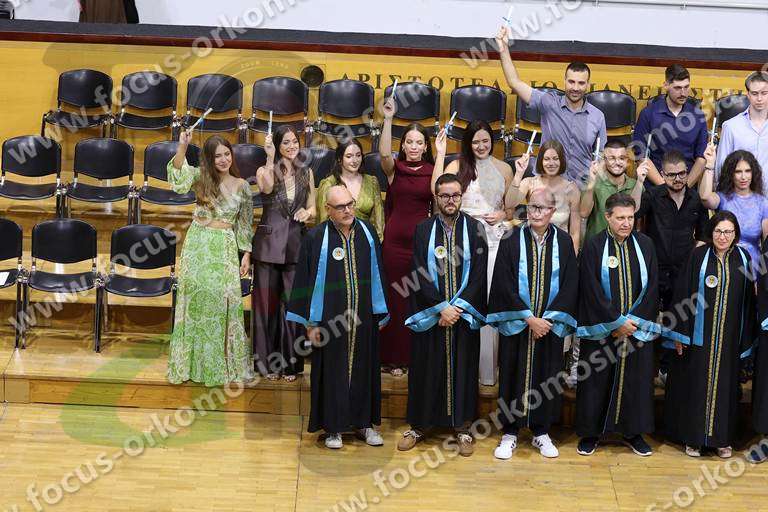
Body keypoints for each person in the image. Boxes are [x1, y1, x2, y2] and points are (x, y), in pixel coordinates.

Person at [286, 185, 389, 449]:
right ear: (328, 209)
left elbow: (379, 273)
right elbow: (305, 280)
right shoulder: (316, 237)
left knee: (365, 370)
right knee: (332, 372)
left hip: (363, 317)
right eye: (340, 207)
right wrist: (310, 323)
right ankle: (333, 428)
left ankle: (364, 424)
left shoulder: (368, 233)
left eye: (350, 204)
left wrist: (379, 311)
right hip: (330, 321)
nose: (347, 210)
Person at [397, 174, 488, 456]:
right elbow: (418, 272)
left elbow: (479, 274)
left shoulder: (475, 228)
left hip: (463, 315)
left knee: (464, 369)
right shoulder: (423, 229)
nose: (450, 200)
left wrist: (457, 308)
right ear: (436, 198)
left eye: (455, 195)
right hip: (433, 315)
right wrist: (440, 307)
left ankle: (463, 428)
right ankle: (419, 426)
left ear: (461, 196)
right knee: (426, 368)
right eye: (445, 195)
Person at [487, 188, 579, 459]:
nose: (535, 213)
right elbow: (503, 281)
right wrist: (528, 317)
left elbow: (570, 283)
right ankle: (510, 432)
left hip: (549, 327)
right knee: (512, 373)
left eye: (541, 208)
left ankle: (541, 432)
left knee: (547, 376)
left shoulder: (564, 242)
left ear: (553, 211)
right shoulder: (511, 238)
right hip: (518, 323)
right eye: (532, 207)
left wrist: (547, 320)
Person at [575, 192, 660, 457]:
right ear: (607, 217)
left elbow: (652, 287)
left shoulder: (645, 245)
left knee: (635, 382)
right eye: (620, 218)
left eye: (630, 217)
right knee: (596, 381)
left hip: (636, 330)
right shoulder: (594, 245)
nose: (626, 223)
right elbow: (590, 288)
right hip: (603, 330)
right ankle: (591, 434)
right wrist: (615, 322)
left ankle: (633, 433)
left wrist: (632, 323)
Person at [664, 211, 755, 458]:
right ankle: (694, 439)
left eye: (728, 232)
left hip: (728, 339)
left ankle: (721, 440)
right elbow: (683, 293)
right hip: (699, 339)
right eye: (718, 231)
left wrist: (746, 340)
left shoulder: (744, 259)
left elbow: (748, 302)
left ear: (735, 234)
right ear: (711, 232)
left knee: (726, 389)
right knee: (696, 386)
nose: (723, 236)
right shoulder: (698, 256)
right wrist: (680, 334)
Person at [166, 131, 254, 386]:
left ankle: (220, 365)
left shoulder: (242, 186)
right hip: (198, 244)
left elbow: (245, 224)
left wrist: (246, 254)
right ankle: (191, 365)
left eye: (227, 154)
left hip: (224, 246)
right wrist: (182, 146)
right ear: (209, 159)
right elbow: (177, 179)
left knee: (221, 301)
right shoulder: (199, 177)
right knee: (195, 301)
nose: (224, 159)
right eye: (218, 156)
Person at [434, 120, 512, 386]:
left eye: (485, 141)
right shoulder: (457, 166)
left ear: (492, 141)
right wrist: (441, 154)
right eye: (475, 141)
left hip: (495, 240)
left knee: (491, 300)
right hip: (463, 240)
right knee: (465, 298)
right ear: (468, 143)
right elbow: (436, 191)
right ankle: (462, 368)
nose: (481, 146)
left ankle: (488, 372)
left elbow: (511, 208)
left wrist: (502, 214)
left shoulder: (504, 168)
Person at [379, 96, 446, 377]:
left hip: (421, 246)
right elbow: (384, 154)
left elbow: (437, 192)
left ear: (425, 146)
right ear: (403, 145)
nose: (415, 147)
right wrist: (388, 119)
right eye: (410, 142)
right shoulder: (394, 170)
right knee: (394, 299)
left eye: (420, 142)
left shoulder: (432, 171)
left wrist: (441, 153)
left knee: (416, 297)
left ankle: (413, 356)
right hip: (394, 246)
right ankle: (392, 358)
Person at [495, 25, 606, 187]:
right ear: (564, 81)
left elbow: (601, 156)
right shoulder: (548, 102)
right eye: (571, 82)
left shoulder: (598, 116)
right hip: (546, 184)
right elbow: (514, 82)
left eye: (581, 83)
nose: (575, 88)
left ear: (588, 84)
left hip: (581, 187)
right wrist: (503, 48)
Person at [636, 149, 709, 386]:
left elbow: (704, 234)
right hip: (654, 269)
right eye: (671, 175)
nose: (677, 179)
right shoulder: (652, 195)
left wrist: (692, 259)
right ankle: (643, 370)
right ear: (662, 174)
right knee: (646, 317)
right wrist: (639, 181)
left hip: (682, 271)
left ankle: (667, 371)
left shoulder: (695, 199)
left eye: (681, 174)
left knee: (676, 319)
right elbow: (634, 212)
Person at [252, 125, 316, 381]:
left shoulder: (307, 172)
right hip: (267, 246)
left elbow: (313, 207)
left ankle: (290, 364)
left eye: (295, 141)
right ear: (277, 145)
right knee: (265, 307)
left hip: (295, 245)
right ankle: (266, 365)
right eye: (286, 142)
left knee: (292, 306)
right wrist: (269, 158)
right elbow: (267, 188)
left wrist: (307, 213)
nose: (292, 146)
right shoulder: (264, 170)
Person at [632, 64, 708, 186]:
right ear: (666, 85)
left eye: (686, 87)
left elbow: (702, 158)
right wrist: (664, 188)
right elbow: (641, 155)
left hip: (687, 185)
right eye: (677, 88)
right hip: (656, 186)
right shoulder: (648, 114)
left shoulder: (698, 116)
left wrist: (683, 188)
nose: (683, 93)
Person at [699, 143, 768, 266]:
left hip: (752, 267)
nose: (743, 177)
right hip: (723, 263)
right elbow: (705, 198)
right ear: (731, 174)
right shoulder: (722, 198)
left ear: (753, 173)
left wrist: (761, 273)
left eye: (747, 171)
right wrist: (709, 165)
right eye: (738, 171)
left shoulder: (763, 203)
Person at [507, 140, 581, 253]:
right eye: (546, 159)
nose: (551, 163)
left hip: (559, 249)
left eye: (555, 159)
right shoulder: (529, 183)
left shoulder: (572, 189)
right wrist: (519, 173)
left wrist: (572, 258)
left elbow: (575, 232)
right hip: (531, 247)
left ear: (561, 160)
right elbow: (509, 203)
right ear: (541, 160)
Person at [316, 139, 384, 239]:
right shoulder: (328, 184)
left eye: (358, 155)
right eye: (349, 156)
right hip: (336, 241)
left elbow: (378, 221)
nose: (355, 160)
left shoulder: (372, 182)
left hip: (365, 239)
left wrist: (376, 243)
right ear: (340, 159)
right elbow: (323, 222)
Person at [581, 140, 646, 242]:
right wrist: (592, 182)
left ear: (627, 160)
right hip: (597, 244)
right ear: (604, 160)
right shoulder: (593, 182)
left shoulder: (635, 184)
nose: (617, 163)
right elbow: (584, 213)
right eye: (612, 158)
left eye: (622, 158)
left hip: (625, 244)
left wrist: (640, 181)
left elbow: (634, 210)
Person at [716, 71, 768, 190]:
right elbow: (721, 169)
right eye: (755, 93)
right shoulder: (731, 127)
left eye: (764, 93)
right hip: (739, 197)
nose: (759, 98)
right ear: (748, 95)